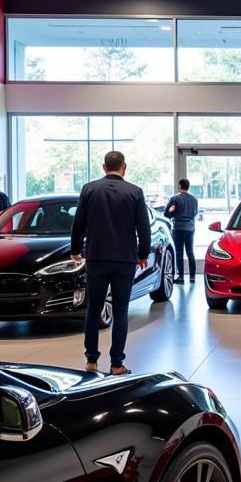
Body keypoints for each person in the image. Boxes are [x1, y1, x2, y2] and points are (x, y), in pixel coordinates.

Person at [70, 151, 150, 375]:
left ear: (104, 167)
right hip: (125, 259)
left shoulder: (89, 189)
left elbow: (79, 223)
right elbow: (143, 227)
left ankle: (91, 361)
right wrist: (143, 253)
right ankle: (116, 364)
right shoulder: (134, 192)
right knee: (121, 310)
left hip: (96, 257)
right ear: (124, 167)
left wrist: (75, 249)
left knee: (93, 309)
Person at [165, 178, 199, 284]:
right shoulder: (194, 199)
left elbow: (167, 214)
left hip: (178, 228)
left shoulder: (175, 198)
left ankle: (181, 277)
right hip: (190, 228)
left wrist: (171, 211)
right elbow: (195, 213)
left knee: (179, 252)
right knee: (190, 252)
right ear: (188, 186)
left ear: (180, 186)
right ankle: (192, 277)